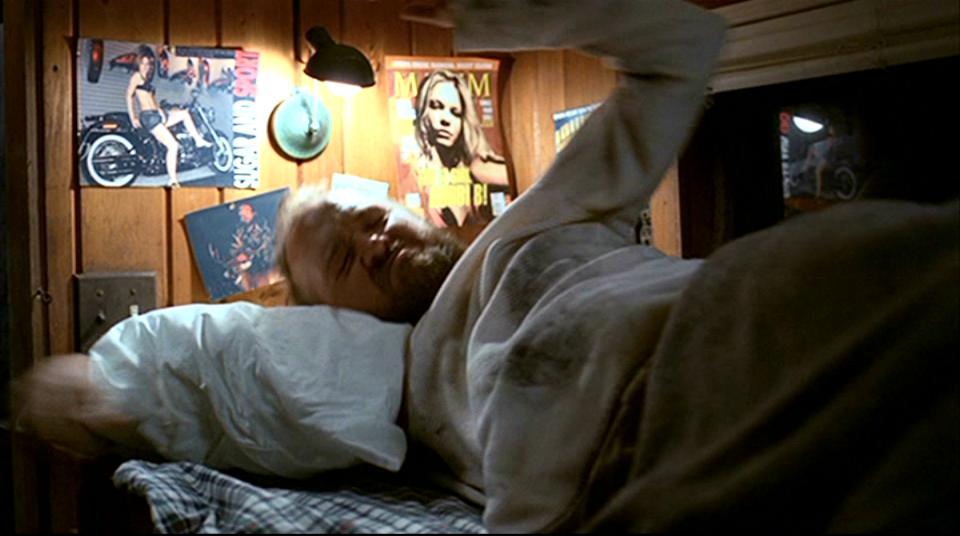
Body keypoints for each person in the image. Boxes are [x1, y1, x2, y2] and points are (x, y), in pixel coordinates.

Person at [16, 0, 958, 533]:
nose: (376, 241)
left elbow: (681, 52)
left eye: (374, 217)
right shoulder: (408, 407)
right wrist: (94, 388)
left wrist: (496, 15)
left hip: (735, 327)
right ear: (331, 316)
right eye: (345, 259)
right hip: (648, 493)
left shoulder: (539, 220)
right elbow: (209, 360)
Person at [398, 69, 510, 228]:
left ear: (464, 121)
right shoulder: (413, 178)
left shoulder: (480, 168)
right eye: (437, 106)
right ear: (423, 112)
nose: (446, 120)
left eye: (455, 113)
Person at [126, 44, 212, 188]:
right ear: (138, 63)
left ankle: (197, 140)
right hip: (148, 117)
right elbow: (129, 96)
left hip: (157, 114)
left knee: (184, 114)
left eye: (148, 64)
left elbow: (152, 100)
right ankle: (172, 180)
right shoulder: (136, 77)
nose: (146, 67)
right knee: (173, 146)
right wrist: (133, 117)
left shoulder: (147, 79)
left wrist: (161, 111)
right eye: (143, 63)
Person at [229, 203, 277, 292]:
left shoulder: (263, 225)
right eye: (241, 211)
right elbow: (236, 247)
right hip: (251, 268)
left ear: (254, 213)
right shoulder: (240, 230)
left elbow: (265, 244)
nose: (242, 213)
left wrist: (248, 254)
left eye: (246, 211)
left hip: (266, 264)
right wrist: (237, 256)